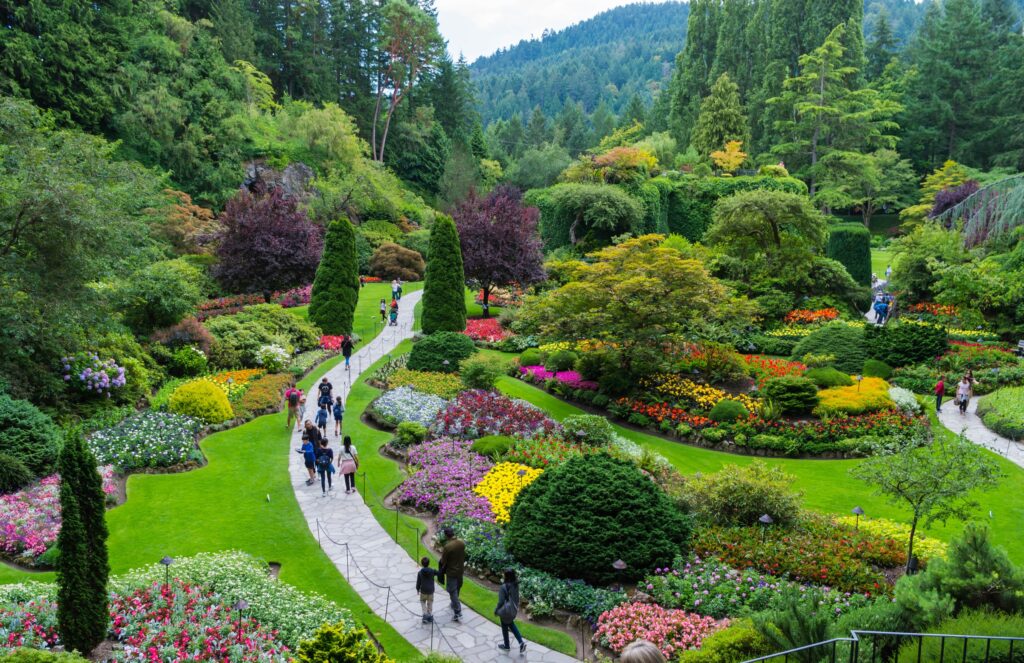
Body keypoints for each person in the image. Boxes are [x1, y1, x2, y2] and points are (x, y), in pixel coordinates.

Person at [495, 568, 526, 653]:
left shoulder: (503, 587)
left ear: (506, 576)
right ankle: (521, 642)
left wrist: (496, 610)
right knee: (510, 624)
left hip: (506, 610)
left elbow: (501, 601)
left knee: (505, 625)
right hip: (514, 609)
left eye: (504, 574)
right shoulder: (515, 584)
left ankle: (507, 645)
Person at [438, 527, 466, 622]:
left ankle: (458, 612)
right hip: (460, 570)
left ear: (446, 535)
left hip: (451, 571)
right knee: (458, 587)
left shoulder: (448, 547)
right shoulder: (461, 543)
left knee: (452, 590)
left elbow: (443, 561)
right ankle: (454, 603)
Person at [416, 557, 438, 624]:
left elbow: (418, 582)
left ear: (422, 564)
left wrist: (417, 589)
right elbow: (438, 573)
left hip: (423, 591)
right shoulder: (432, 571)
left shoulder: (420, 573)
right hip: (431, 591)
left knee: (422, 601)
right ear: (429, 563)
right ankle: (429, 615)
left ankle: (425, 615)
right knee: (430, 602)